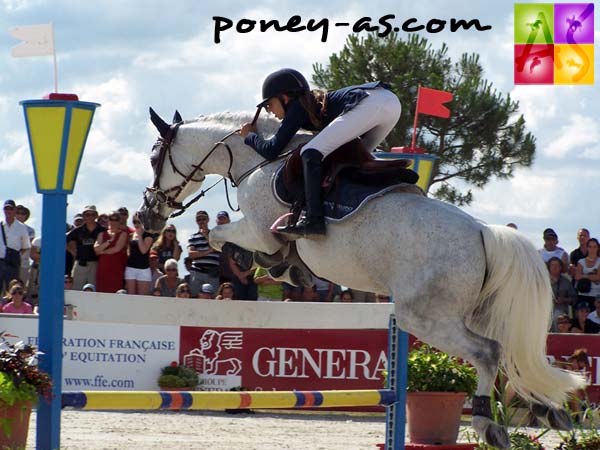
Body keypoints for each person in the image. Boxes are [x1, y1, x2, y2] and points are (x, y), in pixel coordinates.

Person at [240, 68, 401, 238]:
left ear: (284, 98)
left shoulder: (297, 106)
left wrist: (249, 136)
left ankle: (314, 221)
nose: (270, 111)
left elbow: (272, 150)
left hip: (371, 102)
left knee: (310, 152)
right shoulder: (308, 104)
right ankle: (389, 185)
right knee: (354, 158)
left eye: (269, 104)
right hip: (391, 103)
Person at [67, 205, 105, 290]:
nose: (90, 217)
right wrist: (73, 252)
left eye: (92, 214)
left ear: (96, 216)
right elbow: (65, 241)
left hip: (95, 264)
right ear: (83, 216)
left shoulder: (102, 230)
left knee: (94, 290)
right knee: (77, 289)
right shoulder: (78, 230)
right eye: (87, 214)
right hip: (81, 263)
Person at [0, 200, 31, 294]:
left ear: (14, 210)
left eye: (11, 208)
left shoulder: (21, 227)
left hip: (12, 263)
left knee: (11, 289)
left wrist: (15, 255)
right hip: (0, 260)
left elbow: (25, 246)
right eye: (6, 208)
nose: (8, 211)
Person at [187, 210, 220, 296]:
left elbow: (217, 248)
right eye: (199, 219)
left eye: (203, 219)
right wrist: (209, 251)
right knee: (195, 296)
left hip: (213, 271)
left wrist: (205, 236)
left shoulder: (215, 234)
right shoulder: (193, 237)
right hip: (197, 271)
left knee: (213, 297)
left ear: (208, 219)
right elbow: (191, 254)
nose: (201, 221)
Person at [94, 211, 128, 293]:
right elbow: (96, 249)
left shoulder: (123, 234)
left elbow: (117, 248)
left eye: (116, 220)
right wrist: (109, 241)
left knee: (115, 292)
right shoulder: (102, 234)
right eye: (111, 219)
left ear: (120, 221)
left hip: (116, 267)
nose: (113, 222)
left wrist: (102, 252)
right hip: (103, 267)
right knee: (101, 291)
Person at [124, 213, 154, 295]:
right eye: (134, 222)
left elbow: (143, 250)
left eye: (139, 222)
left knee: (142, 297)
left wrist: (140, 235)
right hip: (131, 268)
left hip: (143, 269)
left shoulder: (148, 236)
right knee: (131, 296)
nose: (136, 224)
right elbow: (128, 251)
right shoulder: (131, 235)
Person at [547, 257, 576, 331]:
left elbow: (574, 298)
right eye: (552, 265)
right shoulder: (543, 281)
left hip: (560, 310)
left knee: (557, 317)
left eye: (557, 265)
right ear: (549, 267)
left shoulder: (566, 281)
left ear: (561, 267)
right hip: (544, 308)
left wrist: (564, 300)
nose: (554, 267)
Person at [574, 237, 600, 310]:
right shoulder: (581, 261)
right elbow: (577, 276)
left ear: (598, 248)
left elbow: (598, 277)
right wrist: (591, 276)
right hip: (582, 293)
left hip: (596, 294)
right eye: (590, 246)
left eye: (594, 247)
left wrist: (584, 276)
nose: (592, 249)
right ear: (587, 247)